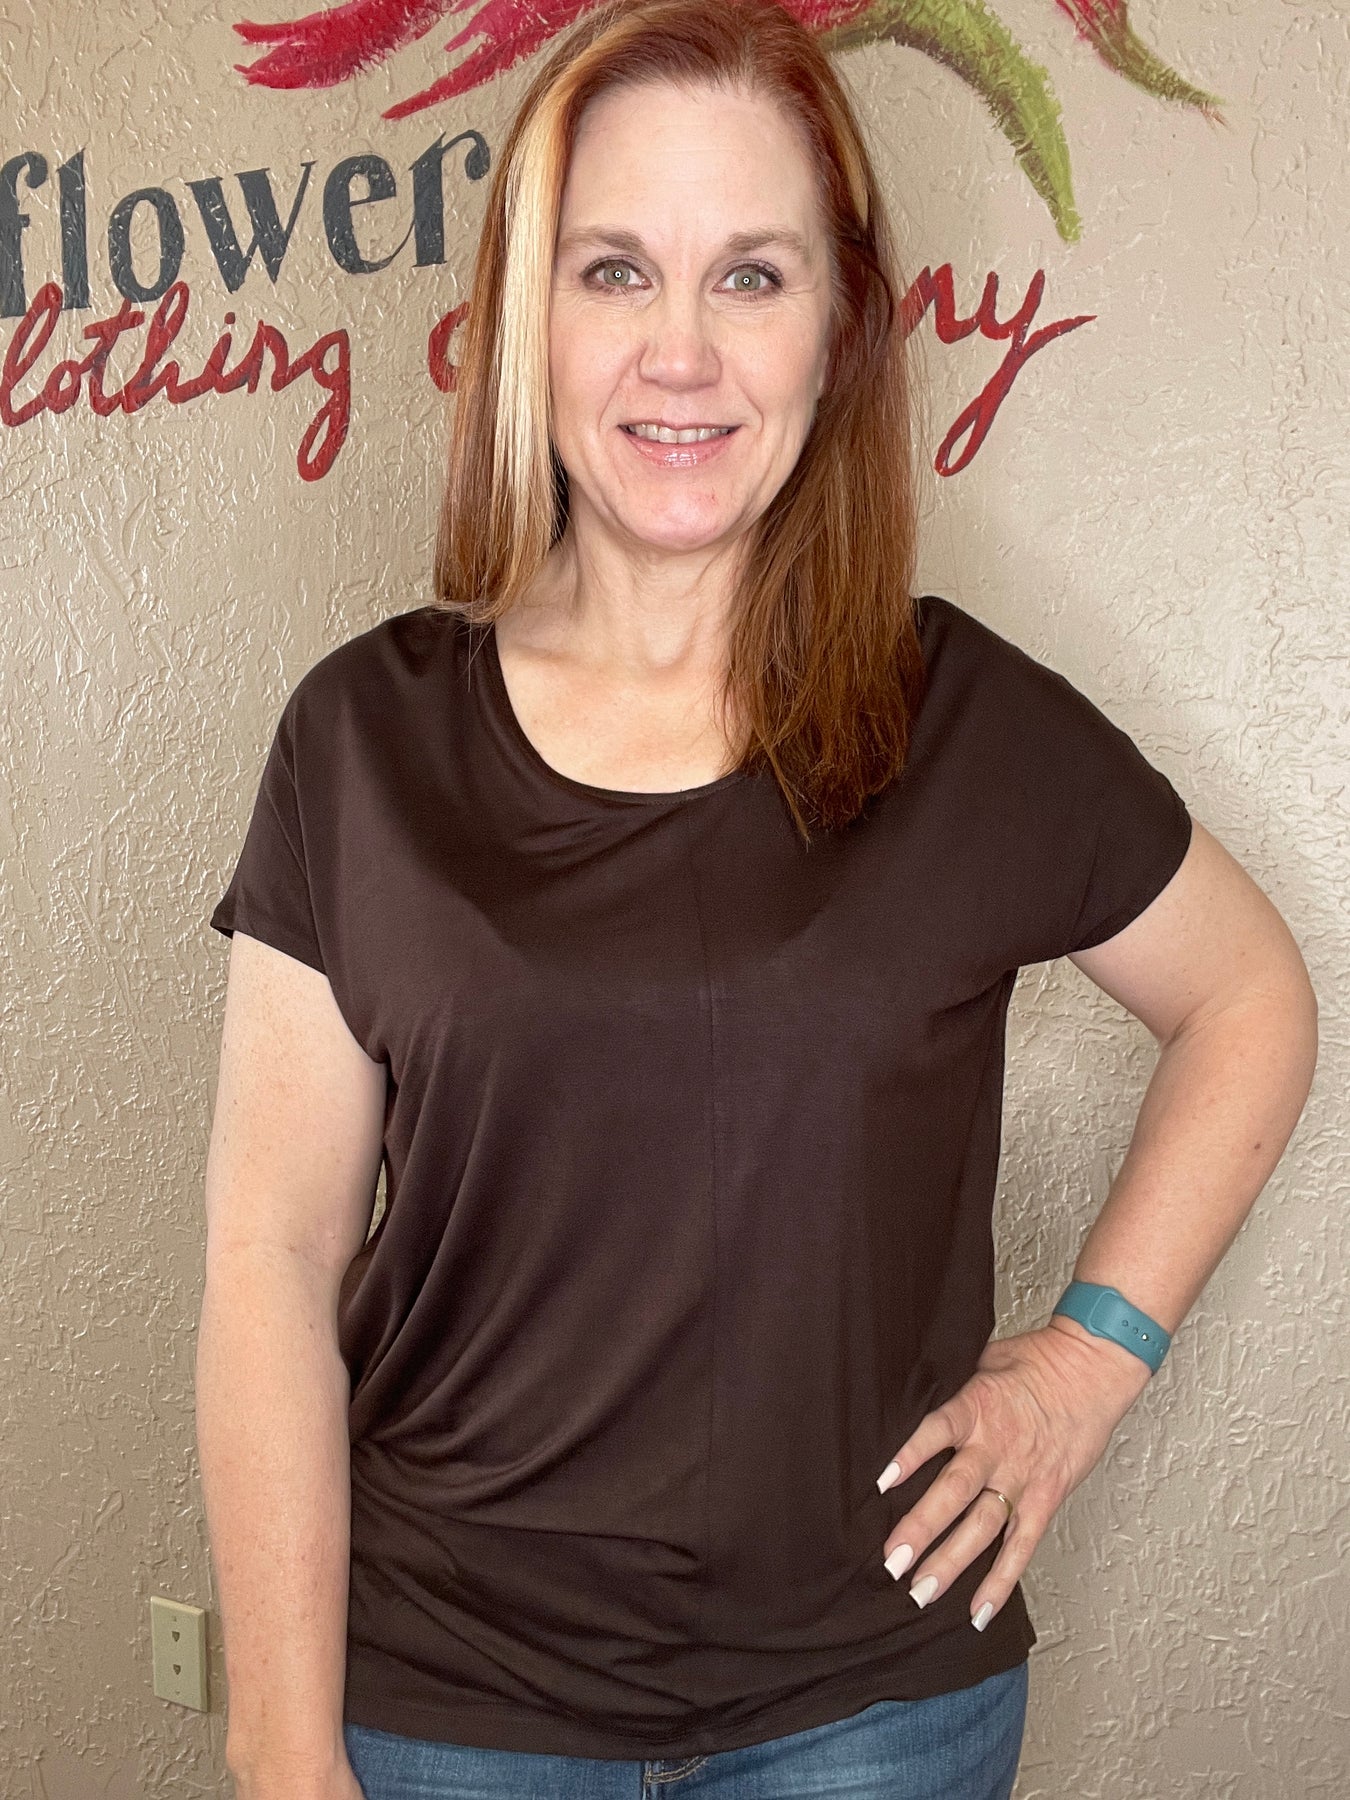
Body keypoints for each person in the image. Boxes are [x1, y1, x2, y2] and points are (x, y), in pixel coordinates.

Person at [195, 1, 1318, 1797]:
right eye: (614, 270)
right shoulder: (361, 742)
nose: (680, 353)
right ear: (524, 318)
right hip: (444, 1710)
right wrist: (275, 1738)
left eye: (751, 276)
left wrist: (1084, 1363)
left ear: (837, 328)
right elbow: (273, 1254)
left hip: (873, 1712)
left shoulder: (967, 727)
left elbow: (1251, 998)